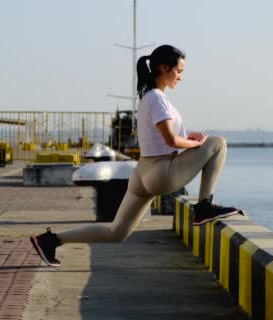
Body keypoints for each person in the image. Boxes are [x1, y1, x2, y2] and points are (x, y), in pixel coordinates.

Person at [31, 44, 243, 267]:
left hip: (141, 174)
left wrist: (189, 140)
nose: (181, 77)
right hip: (161, 172)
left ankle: (51, 240)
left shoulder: (148, 97)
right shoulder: (158, 99)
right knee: (218, 143)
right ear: (163, 68)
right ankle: (203, 206)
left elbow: (164, 139)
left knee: (116, 231)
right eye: (179, 71)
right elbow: (171, 141)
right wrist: (195, 143)